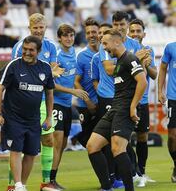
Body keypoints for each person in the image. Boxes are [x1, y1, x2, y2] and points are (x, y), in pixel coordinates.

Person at [86, 28, 147, 191]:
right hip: (115, 107)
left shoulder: (130, 58)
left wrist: (133, 106)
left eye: (105, 43)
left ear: (117, 42)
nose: (104, 47)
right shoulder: (119, 61)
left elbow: (143, 82)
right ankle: (107, 187)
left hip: (126, 109)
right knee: (92, 146)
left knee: (117, 149)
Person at [0, 35, 55, 191]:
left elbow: (49, 93)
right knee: (16, 150)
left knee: (31, 153)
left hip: (33, 119)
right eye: (24, 49)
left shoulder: (45, 68)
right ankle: (18, 185)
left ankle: (22, 185)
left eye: (31, 50)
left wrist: (48, 117)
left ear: (38, 51)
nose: (26, 53)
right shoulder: (13, 66)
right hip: (13, 117)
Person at [11, 13, 63, 191]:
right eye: (35, 28)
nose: (39, 31)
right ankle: (13, 185)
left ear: (45, 27)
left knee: (48, 139)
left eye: (41, 27)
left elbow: (54, 70)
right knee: (19, 145)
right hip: (21, 101)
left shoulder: (51, 47)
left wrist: (52, 74)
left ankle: (46, 182)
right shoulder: (20, 47)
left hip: (42, 100)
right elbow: (15, 72)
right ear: (29, 28)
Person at [49, 24, 89, 190]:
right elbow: (51, 83)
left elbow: (73, 78)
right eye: (65, 36)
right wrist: (73, 91)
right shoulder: (56, 56)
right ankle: (48, 180)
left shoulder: (74, 53)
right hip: (56, 103)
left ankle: (53, 179)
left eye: (71, 35)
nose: (69, 38)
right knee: (57, 143)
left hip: (66, 105)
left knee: (63, 144)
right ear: (59, 38)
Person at [128, 18, 157, 187]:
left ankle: (142, 172)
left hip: (143, 101)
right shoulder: (125, 50)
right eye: (132, 31)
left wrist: (147, 65)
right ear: (128, 33)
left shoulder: (148, 51)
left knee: (142, 137)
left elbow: (153, 75)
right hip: (129, 99)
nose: (135, 34)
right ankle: (133, 172)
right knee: (123, 138)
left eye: (138, 31)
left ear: (144, 34)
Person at [73, 18, 100, 147]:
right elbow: (76, 82)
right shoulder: (81, 55)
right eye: (88, 33)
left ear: (99, 32)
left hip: (103, 103)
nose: (91, 35)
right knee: (86, 140)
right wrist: (88, 101)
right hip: (86, 106)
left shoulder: (107, 53)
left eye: (94, 32)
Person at [158, 41, 176, 183]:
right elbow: (163, 68)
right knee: (172, 136)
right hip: (173, 98)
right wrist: (160, 90)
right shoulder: (170, 47)